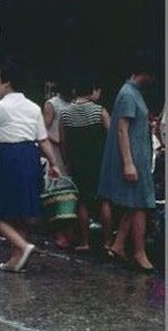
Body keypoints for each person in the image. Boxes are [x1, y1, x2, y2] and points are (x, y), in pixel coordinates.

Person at [0, 64, 62, 272]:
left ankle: (22, 247)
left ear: (7, 83)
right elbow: (42, 139)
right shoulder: (33, 107)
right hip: (30, 155)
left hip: (8, 156)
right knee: (21, 211)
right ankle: (16, 258)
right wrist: (54, 163)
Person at [97, 53, 158, 273]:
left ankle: (119, 244)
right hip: (134, 157)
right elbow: (122, 129)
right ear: (147, 75)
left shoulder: (131, 93)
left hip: (137, 156)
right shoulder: (128, 95)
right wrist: (128, 163)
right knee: (140, 205)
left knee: (135, 204)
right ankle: (139, 252)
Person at [58, 77, 111, 252]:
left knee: (81, 202)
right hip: (98, 161)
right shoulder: (99, 111)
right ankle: (107, 242)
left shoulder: (65, 113)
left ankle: (85, 242)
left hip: (77, 161)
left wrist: (67, 162)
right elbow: (111, 136)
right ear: (92, 91)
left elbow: (63, 141)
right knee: (104, 200)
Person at [43, 80, 72, 249]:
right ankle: (59, 233)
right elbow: (43, 129)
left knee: (69, 191)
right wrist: (58, 141)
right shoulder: (52, 104)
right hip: (55, 151)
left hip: (68, 151)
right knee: (57, 191)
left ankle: (68, 231)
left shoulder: (74, 104)